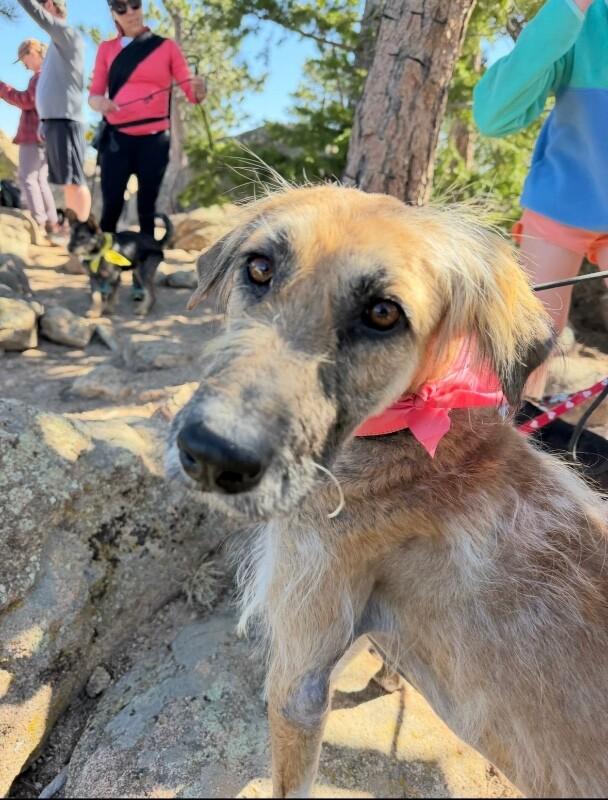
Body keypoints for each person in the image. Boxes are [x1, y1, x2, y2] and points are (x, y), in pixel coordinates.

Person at [473, 0, 608, 395]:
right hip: (559, 207)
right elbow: (493, 114)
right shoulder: (580, 20)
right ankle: (508, 442)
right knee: (526, 348)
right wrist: (568, 10)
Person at [89, 0, 207, 238]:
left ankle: (146, 264)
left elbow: (192, 94)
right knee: (111, 204)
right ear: (114, 14)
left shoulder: (166, 47)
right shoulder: (106, 49)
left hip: (154, 140)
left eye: (134, 4)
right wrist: (100, 103)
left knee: (147, 206)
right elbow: (94, 96)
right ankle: (104, 265)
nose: (130, 12)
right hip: (116, 140)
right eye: (122, 8)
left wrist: (200, 88)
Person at [16, 0, 91, 225]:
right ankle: (77, 232)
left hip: (66, 120)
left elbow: (35, 12)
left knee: (75, 180)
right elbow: (54, 86)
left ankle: (85, 233)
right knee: (68, 181)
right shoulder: (58, 44)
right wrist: (43, 123)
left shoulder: (66, 33)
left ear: (49, 5)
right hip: (56, 121)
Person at [0, 39, 59, 235]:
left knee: (27, 178)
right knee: (40, 179)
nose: (23, 64)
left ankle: (39, 221)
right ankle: (52, 222)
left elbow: (27, 101)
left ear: (32, 52)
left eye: (22, 58)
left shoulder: (39, 77)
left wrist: (3, 89)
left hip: (33, 136)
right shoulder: (50, 75)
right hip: (46, 136)